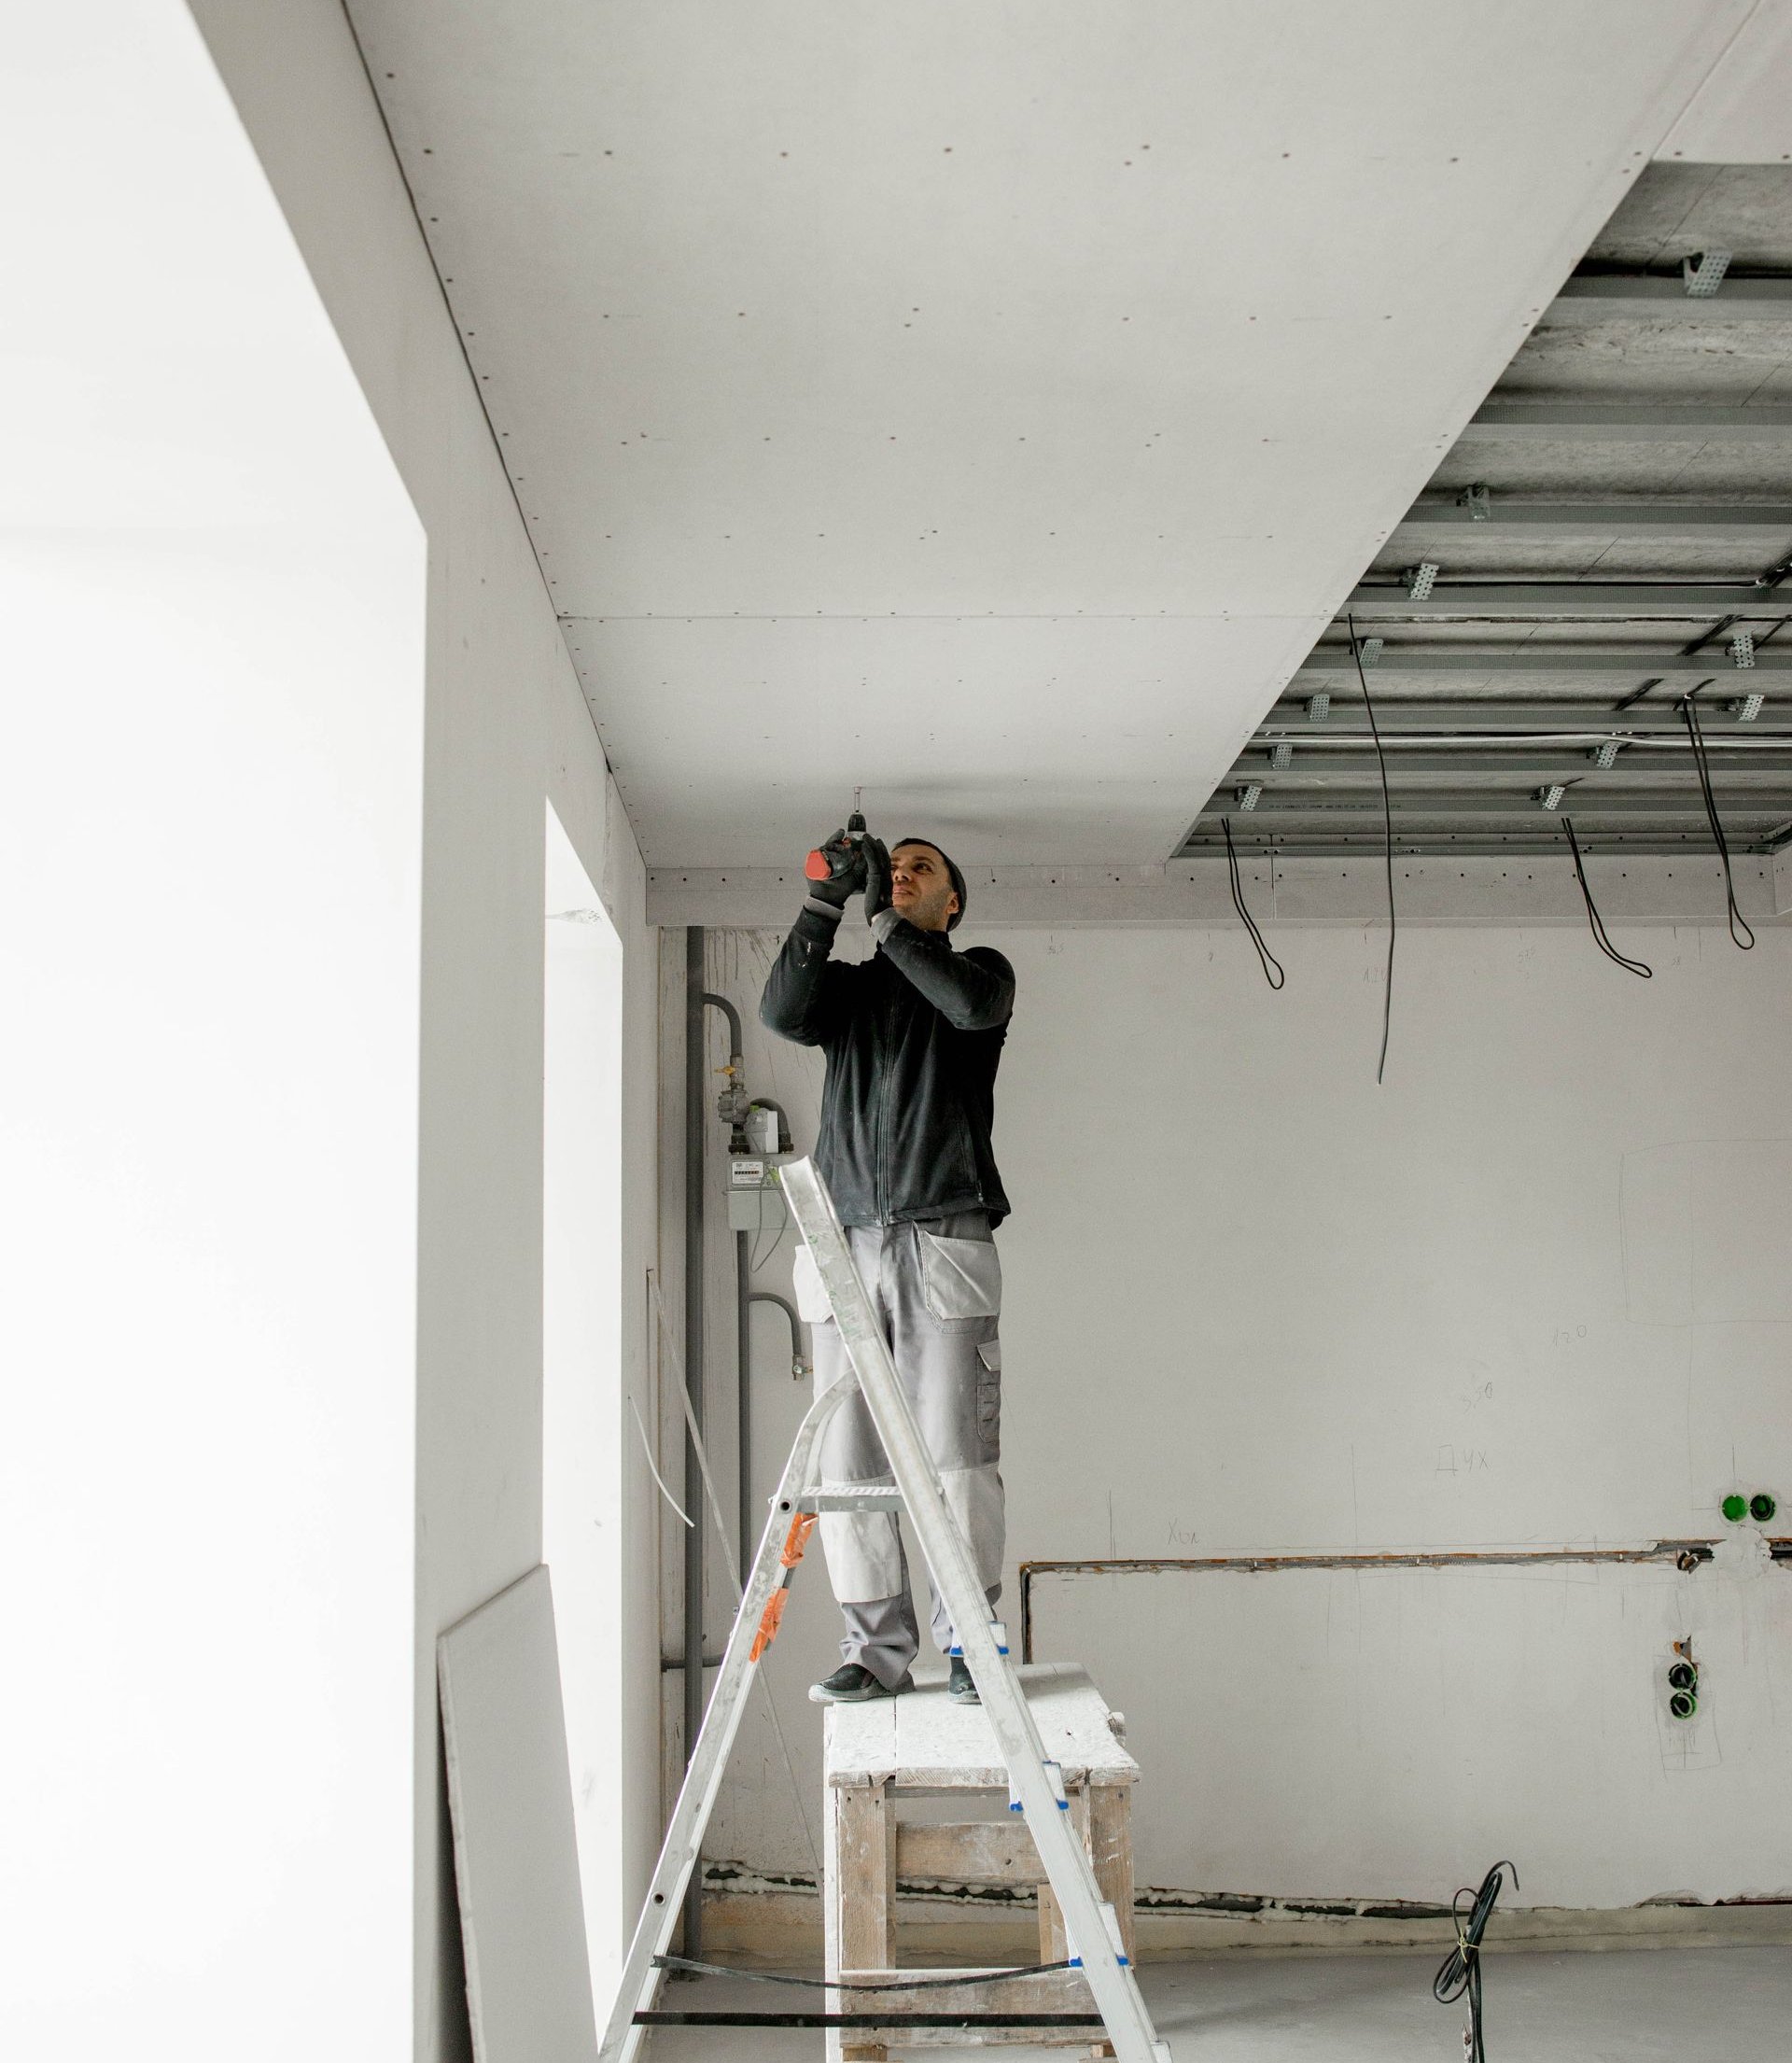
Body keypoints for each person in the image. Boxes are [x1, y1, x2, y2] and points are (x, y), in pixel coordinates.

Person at [760, 831, 1016, 1705]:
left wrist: (884, 917)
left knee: (956, 1457)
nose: (901, 877)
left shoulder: (979, 975)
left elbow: (969, 1006)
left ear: (951, 904)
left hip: (941, 1239)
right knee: (851, 1460)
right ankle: (874, 1653)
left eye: (922, 871)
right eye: (893, 867)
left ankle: (973, 1649)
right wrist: (823, 901)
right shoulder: (853, 995)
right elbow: (784, 1013)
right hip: (843, 1243)